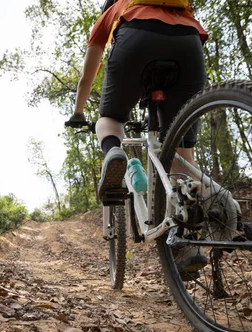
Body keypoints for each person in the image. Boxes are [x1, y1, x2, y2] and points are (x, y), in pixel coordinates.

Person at [67, 0, 209, 278]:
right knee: (181, 156)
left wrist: (78, 112)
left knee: (109, 120)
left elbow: (88, 75)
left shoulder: (113, 10)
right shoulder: (177, 6)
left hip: (136, 40)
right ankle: (192, 239)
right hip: (190, 44)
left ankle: (113, 152)